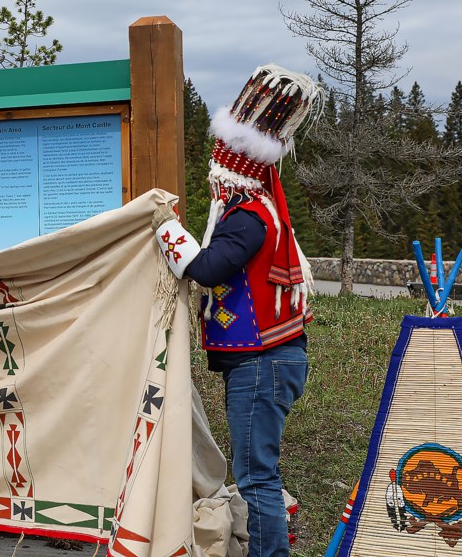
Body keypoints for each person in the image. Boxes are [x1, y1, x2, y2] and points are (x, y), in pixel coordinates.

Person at [153, 65, 323, 557]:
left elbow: (206, 268)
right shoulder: (261, 210)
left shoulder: (247, 218)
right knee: (260, 470)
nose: (212, 174)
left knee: (256, 477)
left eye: (217, 165)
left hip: (260, 364)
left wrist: (167, 232)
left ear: (232, 169)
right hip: (272, 360)